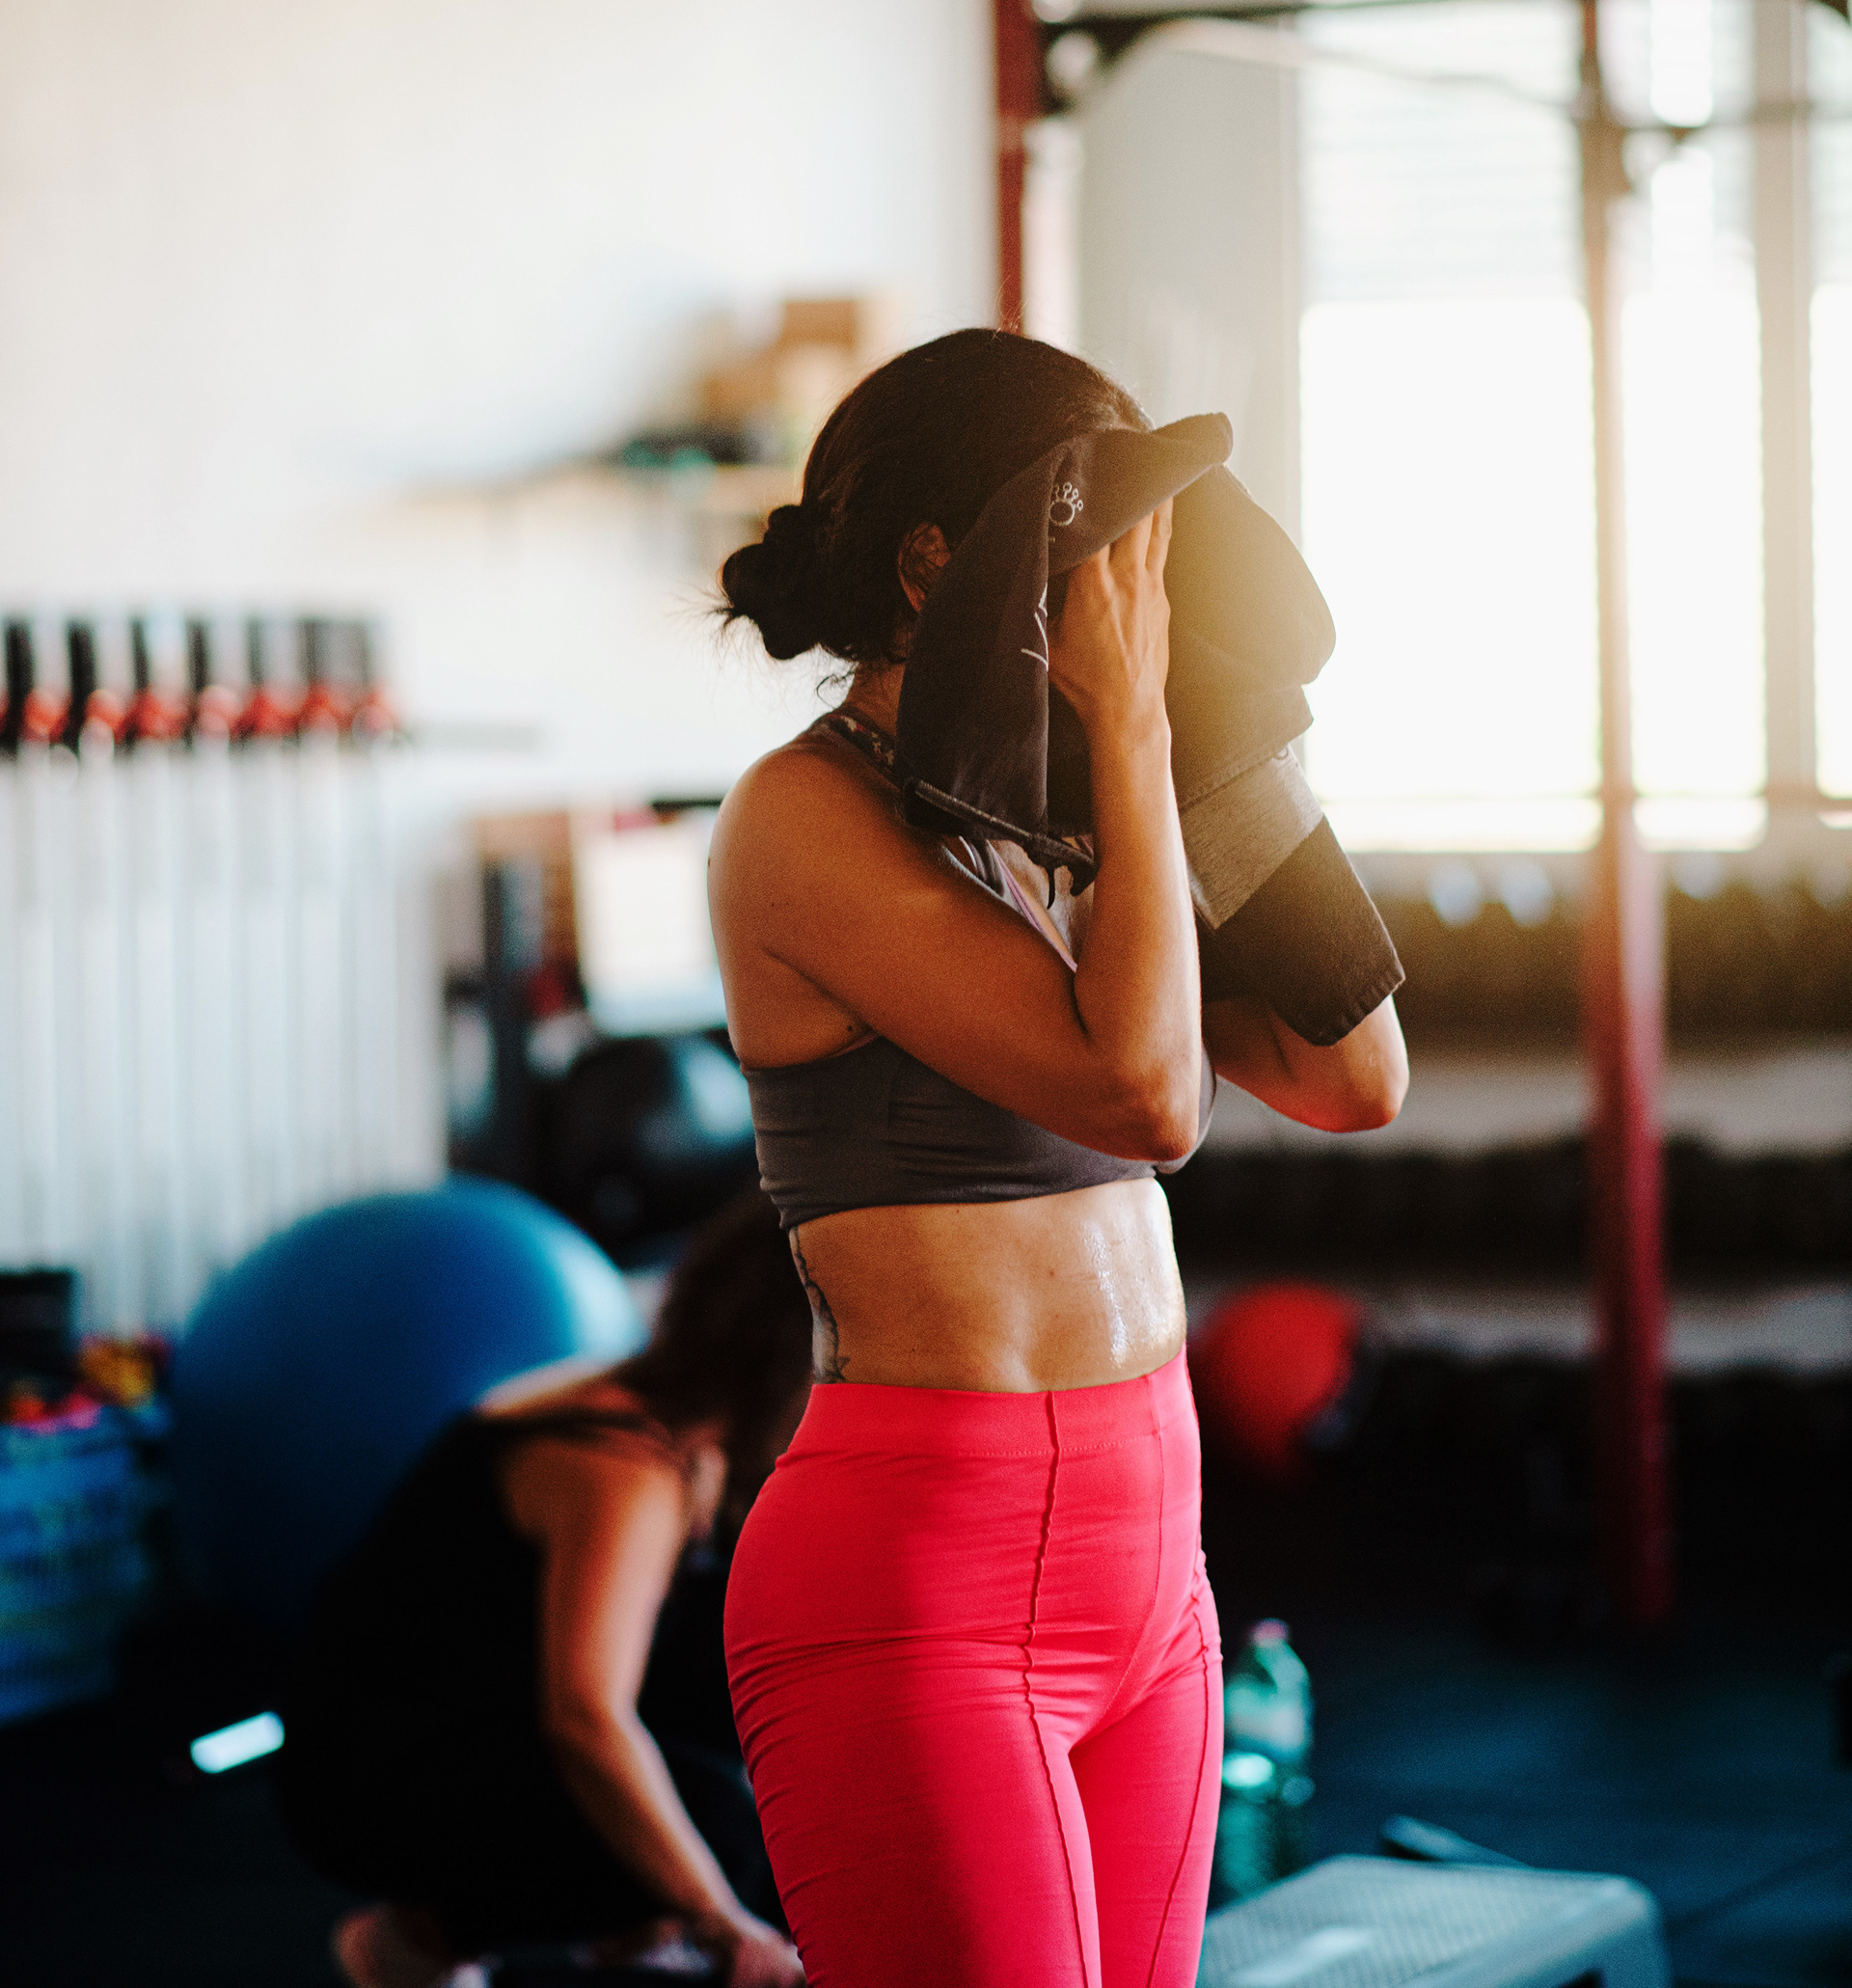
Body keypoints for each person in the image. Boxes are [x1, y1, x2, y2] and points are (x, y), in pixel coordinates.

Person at [708, 329, 1406, 1988]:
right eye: (1099, 536)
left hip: (1150, 1567)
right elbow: (1148, 1097)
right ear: (943, 558)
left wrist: (1224, 749)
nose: (1134, 582)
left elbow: (1350, 1068)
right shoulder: (798, 819)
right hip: (920, 1590)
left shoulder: (1055, 828)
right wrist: (1139, 741)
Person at [276, 1188, 811, 1988]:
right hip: (365, 1773)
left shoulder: (671, 1418)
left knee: (738, 1671)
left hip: (470, 1711)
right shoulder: (619, 1464)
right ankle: (416, 1942)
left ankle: (632, 1921)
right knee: (722, 1829)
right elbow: (586, 1720)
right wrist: (719, 1916)